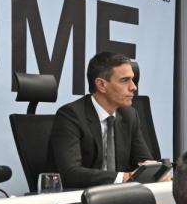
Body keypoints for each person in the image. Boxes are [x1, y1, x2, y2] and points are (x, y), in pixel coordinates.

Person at [48, 51, 153, 189]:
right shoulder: (71, 115)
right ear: (101, 85)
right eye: (124, 80)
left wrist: (156, 171)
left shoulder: (129, 115)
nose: (133, 87)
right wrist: (124, 178)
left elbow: (144, 161)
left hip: (120, 197)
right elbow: (70, 173)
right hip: (82, 199)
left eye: (132, 79)